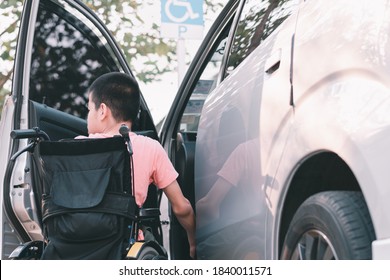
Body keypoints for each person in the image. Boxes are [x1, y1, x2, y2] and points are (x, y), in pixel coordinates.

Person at [80, 72, 196, 258]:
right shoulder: (149, 147)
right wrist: (193, 241)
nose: (88, 116)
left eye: (89, 110)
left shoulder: (76, 147)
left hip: (75, 242)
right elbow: (181, 207)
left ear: (102, 110)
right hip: (126, 246)